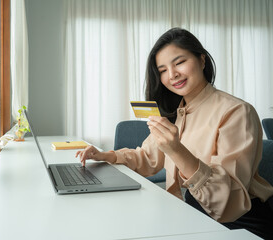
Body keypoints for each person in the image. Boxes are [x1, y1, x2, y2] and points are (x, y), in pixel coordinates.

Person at [76, 28, 273, 239]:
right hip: (190, 211)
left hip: (239, 223)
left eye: (179, 62)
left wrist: (177, 150)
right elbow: (148, 157)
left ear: (202, 60)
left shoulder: (236, 111)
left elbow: (227, 201)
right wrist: (106, 155)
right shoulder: (176, 111)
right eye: (162, 70)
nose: (172, 75)